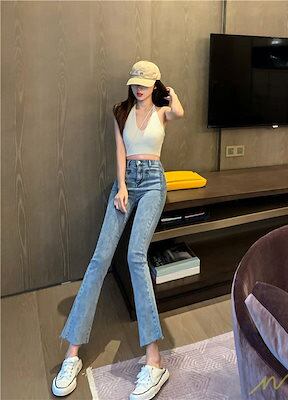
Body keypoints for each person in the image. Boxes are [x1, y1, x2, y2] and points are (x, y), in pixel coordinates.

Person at [51, 60, 184, 399]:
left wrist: (170, 94)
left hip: (153, 183)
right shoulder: (120, 112)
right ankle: (72, 355)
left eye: (145, 84)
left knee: (135, 255)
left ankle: (154, 362)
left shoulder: (162, 112)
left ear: (154, 85)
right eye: (135, 83)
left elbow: (179, 112)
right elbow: (120, 150)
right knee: (99, 259)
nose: (138, 88)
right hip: (127, 183)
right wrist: (121, 186)